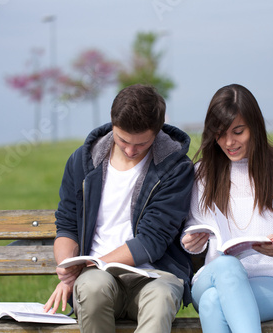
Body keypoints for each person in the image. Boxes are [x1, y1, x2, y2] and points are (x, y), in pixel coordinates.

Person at [44, 84, 194, 333]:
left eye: (141, 144)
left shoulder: (175, 168)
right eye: (123, 139)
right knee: (92, 287)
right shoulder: (83, 161)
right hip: (97, 280)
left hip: (155, 275)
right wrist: (67, 266)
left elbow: (152, 241)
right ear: (112, 123)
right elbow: (67, 226)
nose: (130, 150)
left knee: (160, 298)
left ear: (157, 132)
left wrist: (90, 265)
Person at [181, 84, 273, 333]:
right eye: (220, 134)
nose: (228, 142)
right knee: (226, 266)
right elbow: (193, 225)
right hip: (212, 278)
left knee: (213, 303)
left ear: (255, 126)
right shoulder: (202, 173)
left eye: (238, 132)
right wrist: (192, 240)